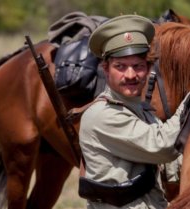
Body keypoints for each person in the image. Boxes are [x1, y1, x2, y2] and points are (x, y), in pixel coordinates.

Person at [78, 14, 184, 209]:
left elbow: (175, 164)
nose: (130, 75)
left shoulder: (142, 113)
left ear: (149, 68)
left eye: (138, 66)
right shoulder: (102, 115)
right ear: (106, 69)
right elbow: (164, 146)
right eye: (120, 66)